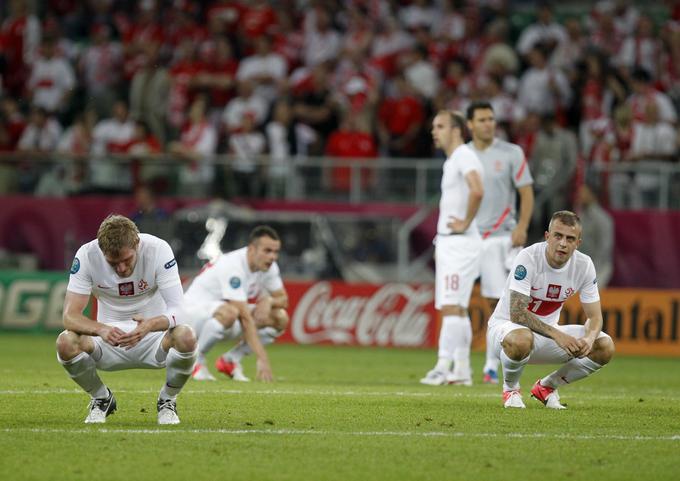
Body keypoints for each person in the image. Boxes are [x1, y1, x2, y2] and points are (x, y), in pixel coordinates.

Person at [56, 215, 197, 424]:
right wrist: (101, 329)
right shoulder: (87, 255)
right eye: (113, 262)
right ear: (102, 251)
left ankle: (168, 400)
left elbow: (179, 310)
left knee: (186, 336)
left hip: (153, 338)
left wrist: (149, 325)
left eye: (126, 260)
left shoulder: (158, 249)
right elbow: (69, 316)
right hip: (108, 341)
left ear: (137, 244)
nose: (121, 269)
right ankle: (101, 398)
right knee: (65, 342)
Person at [487, 210, 615, 409]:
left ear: (578, 243)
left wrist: (589, 339)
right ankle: (510, 389)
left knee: (604, 345)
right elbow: (517, 313)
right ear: (548, 237)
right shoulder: (528, 257)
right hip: (506, 332)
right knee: (522, 338)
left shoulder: (584, 265)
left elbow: (595, 317)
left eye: (570, 238)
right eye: (558, 236)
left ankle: (546, 387)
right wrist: (558, 335)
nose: (563, 243)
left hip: (546, 337)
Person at [466, 100, 534, 384]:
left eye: (491, 119)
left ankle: (492, 365)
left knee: (500, 302)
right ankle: (453, 363)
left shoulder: (510, 152)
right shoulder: (462, 155)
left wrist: (522, 226)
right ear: (469, 124)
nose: (487, 124)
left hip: (501, 237)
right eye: (481, 119)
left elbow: (527, 193)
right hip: (469, 237)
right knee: (457, 302)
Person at [420, 110, 484, 386]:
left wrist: (465, 223)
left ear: (457, 130)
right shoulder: (454, 160)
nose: (435, 131)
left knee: (451, 306)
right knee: (456, 308)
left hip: (460, 242)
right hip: (451, 242)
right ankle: (461, 370)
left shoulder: (464, 155)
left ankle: (442, 367)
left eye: (441, 126)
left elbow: (477, 189)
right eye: (434, 126)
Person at [186, 225, 287, 382]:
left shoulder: (269, 267)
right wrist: (262, 358)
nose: (272, 257)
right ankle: (194, 361)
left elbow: (283, 299)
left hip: (223, 318)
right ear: (252, 249)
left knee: (279, 318)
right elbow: (244, 318)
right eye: (267, 251)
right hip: (192, 317)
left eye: (275, 252)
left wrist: (269, 300)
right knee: (232, 312)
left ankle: (230, 360)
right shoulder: (233, 265)